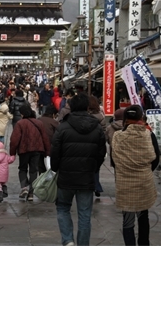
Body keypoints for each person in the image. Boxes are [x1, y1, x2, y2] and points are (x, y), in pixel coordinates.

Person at [50, 93, 107, 246]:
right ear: (87, 107)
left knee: (62, 207)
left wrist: (55, 169)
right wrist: (94, 168)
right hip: (87, 177)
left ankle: (68, 240)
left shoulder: (63, 127)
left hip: (65, 176)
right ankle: (83, 245)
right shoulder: (97, 128)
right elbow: (101, 153)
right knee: (85, 214)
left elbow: (54, 152)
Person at [111, 104, 160, 246]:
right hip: (144, 181)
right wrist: (144, 170)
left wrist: (124, 170)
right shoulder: (148, 134)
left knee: (127, 220)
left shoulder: (118, 136)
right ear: (141, 117)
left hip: (124, 183)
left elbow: (114, 161)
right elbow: (156, 158)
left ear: (125, 119)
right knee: (143, 217)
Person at [10, 104, 51, 201]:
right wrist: (47, 152)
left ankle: (24, 187)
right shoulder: (39, 123)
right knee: (33, 170)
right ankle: (31, 193)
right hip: (37, 150)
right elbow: (45, 138)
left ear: (22, 113)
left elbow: (14, 140)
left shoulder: (20, 123)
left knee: (22, 169)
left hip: (24, 150)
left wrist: (12, 152)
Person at [88, 95, 107, 198]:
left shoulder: (85, 115)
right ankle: (96, 186)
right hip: (97, 144)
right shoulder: (100, 115)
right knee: (96, 167)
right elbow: (104, 130)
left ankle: (91, 185)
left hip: (86, 143)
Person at [37, 105, 59, 174]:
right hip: (50, 147)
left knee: (40, 166)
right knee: (50, 167)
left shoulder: (38, 120)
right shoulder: (55, 123)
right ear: (53, 114)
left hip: (38, 146)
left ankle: (41, 180)